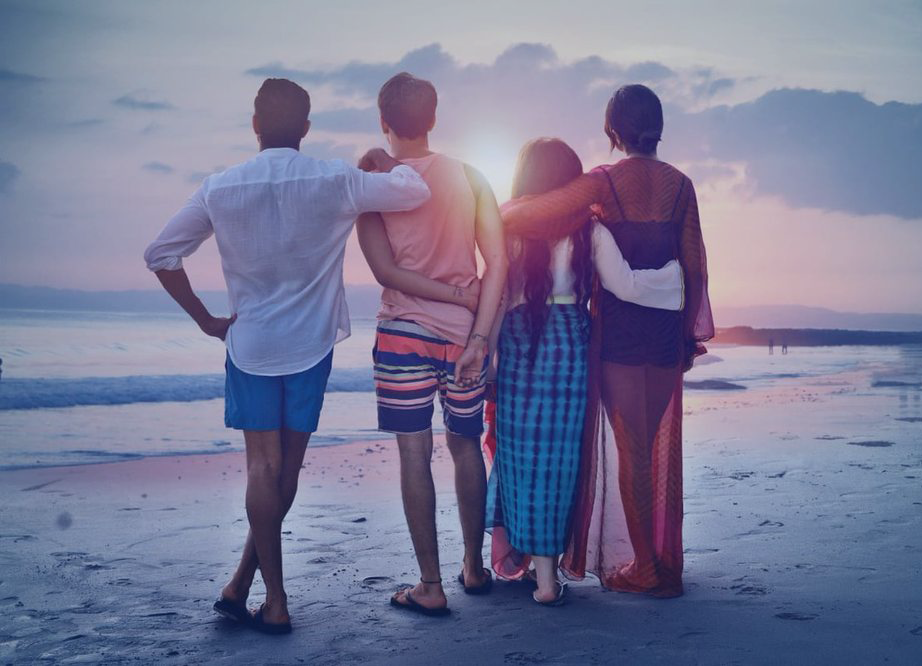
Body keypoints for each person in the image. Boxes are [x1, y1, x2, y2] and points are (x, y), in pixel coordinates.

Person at [143, 78, 431, 633]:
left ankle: (260, 593)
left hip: (251, 345)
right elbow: (412, 190)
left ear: (255, 126)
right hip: (310, 345)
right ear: (305, 128)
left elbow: (161, 254)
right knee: (287, 470)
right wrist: (380, 161)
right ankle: (258, 593)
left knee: (262, 469)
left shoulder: (220, 188)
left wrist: (206, 320)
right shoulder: (335, 178)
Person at [501, 84, 714, 597]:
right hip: (664, 334)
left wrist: (554, 213)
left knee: (633, 451)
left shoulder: (604, 182)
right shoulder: (682, 186)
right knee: (657, 445)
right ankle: (658, 561)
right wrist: (688, 335)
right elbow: (696, 265)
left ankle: (645, 566)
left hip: (618, 336)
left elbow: (527, 215)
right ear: (658, 128)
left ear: (612, 131)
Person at [356, 72, 507, 616]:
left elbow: (385, 271)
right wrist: (480, 332)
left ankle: (430, 584)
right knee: (467, 444)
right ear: (434, 119)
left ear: (384, 122)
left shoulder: (374, 183)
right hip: (464, 337)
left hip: (403, 334)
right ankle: (473, 567)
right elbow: (499, 263)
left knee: (414, 454)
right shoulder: (471, 175)